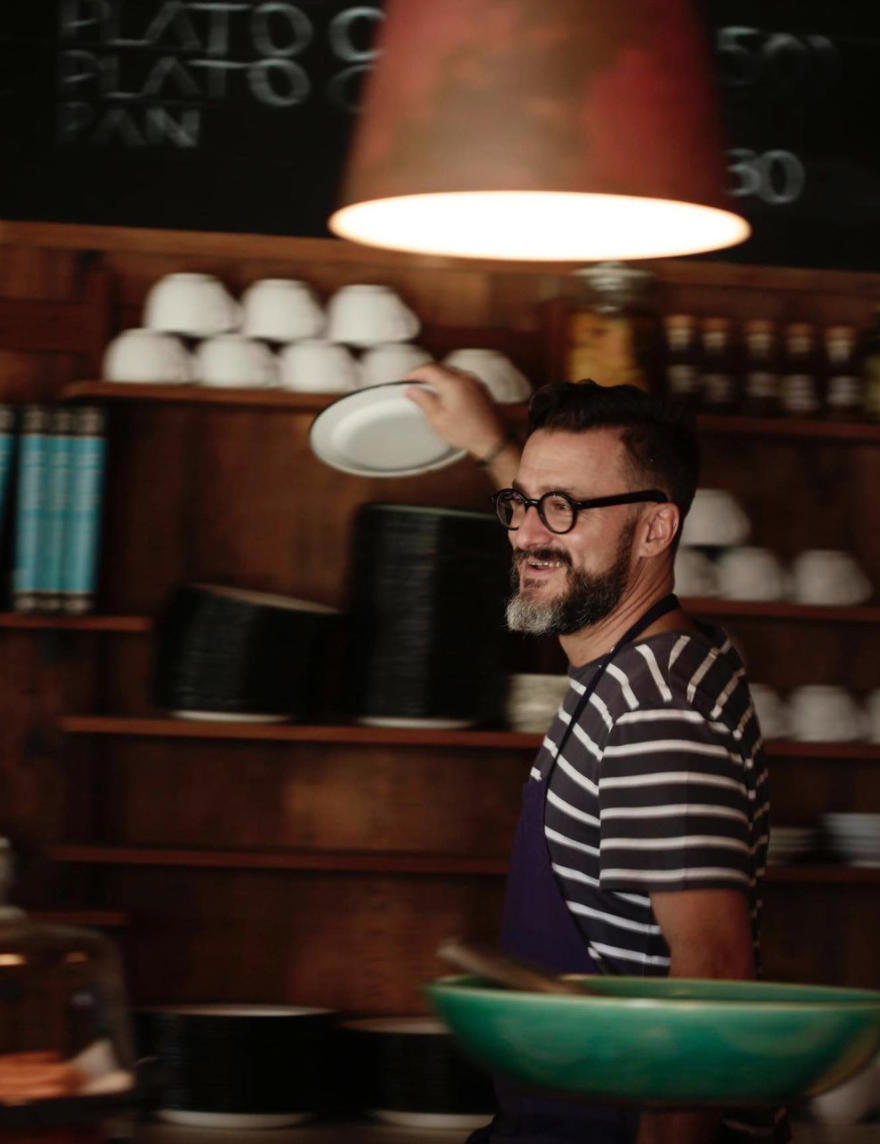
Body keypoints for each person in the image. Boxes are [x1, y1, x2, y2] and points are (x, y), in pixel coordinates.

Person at [406, 367, 789, 1144]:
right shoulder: (627, 668)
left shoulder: (657, 710)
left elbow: (712, 978)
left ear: (655, 528)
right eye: (519, 503)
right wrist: (489, 444)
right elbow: (562, 530)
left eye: (560, 509)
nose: (524, 533)